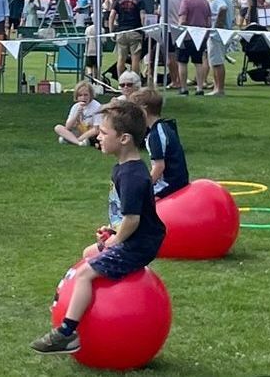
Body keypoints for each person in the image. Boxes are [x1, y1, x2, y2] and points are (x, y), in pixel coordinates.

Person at [31, 99, 164, 354]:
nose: (97, 137)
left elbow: (133, 220)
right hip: (132, 237)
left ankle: (67, 333)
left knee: (85, 274)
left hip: (138, 245)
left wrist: (117, 239)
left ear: (124, 139)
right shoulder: (124, 169)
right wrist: (112, 231)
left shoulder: (133, 176)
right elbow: (128, 215)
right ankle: (71, 308)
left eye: (103, 132)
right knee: (88, 253)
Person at [129, 89, 189, 199]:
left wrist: (146, 185)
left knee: (137, 198)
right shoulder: (164, 127)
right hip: (178, 180)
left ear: (143, 111)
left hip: (170, 184)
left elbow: (159, 166)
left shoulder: (155, 135)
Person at [175, 0, 211, 96]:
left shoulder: (186, 1)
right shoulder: (205, 2)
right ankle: (200, 88)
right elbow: (209, 22)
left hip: (187, 36)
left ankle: (184, 88)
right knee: (198, 62)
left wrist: (179, 32)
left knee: (182, 62)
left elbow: (182, 20)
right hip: (200, 36)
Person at [206, 0, 236, 97]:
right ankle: (217, 87)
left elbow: (223, 8)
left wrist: (218, 24)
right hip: (224, 33)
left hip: (217, 34)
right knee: (216, 61)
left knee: (216, 62)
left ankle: (219, 88)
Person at [109, 0, 145, 77]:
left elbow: (111, 16)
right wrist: (144, 29)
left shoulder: (118, 0)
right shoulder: (139, 0)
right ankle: (135, 80)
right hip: (134, 31)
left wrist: (111, 30)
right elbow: (143, 16)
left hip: (121, 32)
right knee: (135, 58)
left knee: (121, 58)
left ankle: (121, 80)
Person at [54, 81, 103, 147]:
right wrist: (77, 115)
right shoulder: (76, 107)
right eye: (80, 95)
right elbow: (67, 127)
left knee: (95, 136)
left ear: (91, 95)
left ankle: (72, 140)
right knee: (58, 127)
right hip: (79, 131)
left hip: (91, 133)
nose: (83, 98)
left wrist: (80, 138)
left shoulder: (97, 107)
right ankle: (78, 142)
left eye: (86, 95)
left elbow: (96, 129)